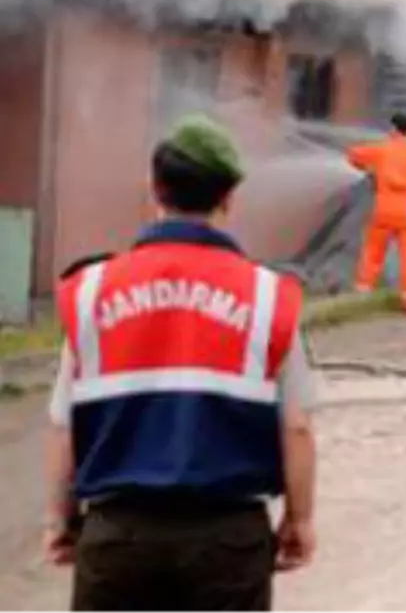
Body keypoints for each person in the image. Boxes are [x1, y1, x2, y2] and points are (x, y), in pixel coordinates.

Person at [43, 114, 319, 613]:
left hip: (118, 538)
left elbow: (66, 427)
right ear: (229, 199)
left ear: (154, 188)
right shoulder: (267, 297)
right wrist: (300, 520)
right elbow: (295, 427)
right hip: (228, 543)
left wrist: (60, 521)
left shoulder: (92, 292)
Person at [347, 111, 406, 315]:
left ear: (393, 129)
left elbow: (353, 154)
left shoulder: (382, 149)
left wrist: (368, 170)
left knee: (373, 251)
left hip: (383, 210)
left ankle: (362, 292)